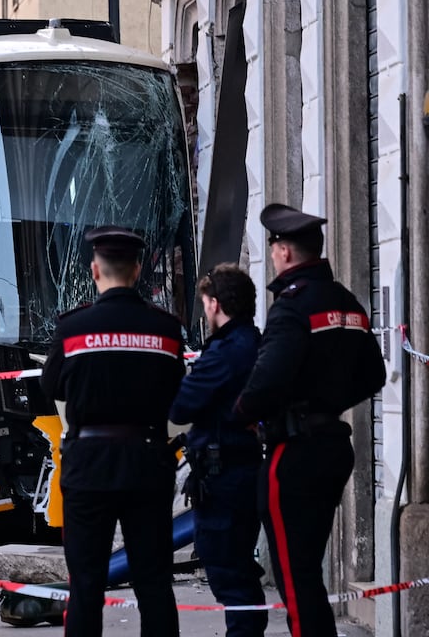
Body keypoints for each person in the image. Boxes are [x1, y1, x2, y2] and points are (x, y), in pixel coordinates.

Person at [233, 204, 386, 637]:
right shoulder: (346, 302)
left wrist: (240, 415)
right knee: (307, 573)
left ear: (282, 251)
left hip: (294, 453)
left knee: (295, 579)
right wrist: (328, 400)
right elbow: (374, 374)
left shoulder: (291, 307)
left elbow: (266, 381)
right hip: (334, 446)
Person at [38, 226, 186, 637]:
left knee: (85, 585)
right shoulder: (166, 330)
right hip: (148, 462)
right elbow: (179, 392)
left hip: (89, 466)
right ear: (137, 270)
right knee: (154, 582)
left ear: (94, 270)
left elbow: (50, 386)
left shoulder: (73, 329)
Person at [168, 264, 266, 637]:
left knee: (226, 562)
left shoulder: (226, 352)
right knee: (235, 561)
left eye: (206, 302)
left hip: (224, 472)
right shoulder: (254, 342)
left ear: (215, 305)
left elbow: (181, 407)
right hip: (239, 467)